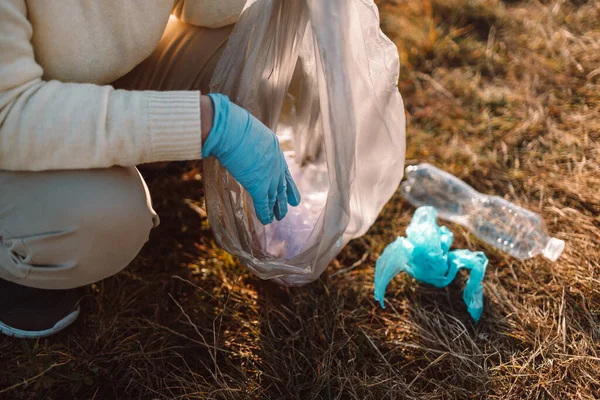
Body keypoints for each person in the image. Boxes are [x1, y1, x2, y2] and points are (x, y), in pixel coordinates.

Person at [0, 0, 301, 339]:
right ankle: (20, 257)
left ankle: (118, 155)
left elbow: (198, 7)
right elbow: (8, 116)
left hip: (94, 77)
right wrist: (207, 122)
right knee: (104, 216)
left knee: (260, 39)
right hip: (13, 124)